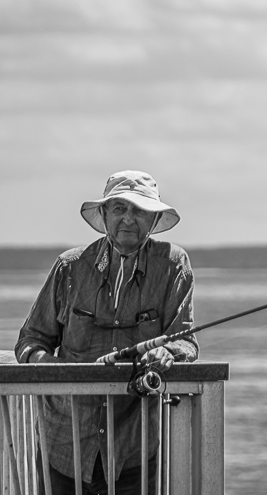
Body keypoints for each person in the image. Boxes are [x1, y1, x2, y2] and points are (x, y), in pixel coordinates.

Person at [15, 170, 199, 495]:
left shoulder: (174, 265)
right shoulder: (69, 266)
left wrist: (168, 352)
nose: (128, 219)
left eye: (140, 210)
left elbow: (186, 340)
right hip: (64, 443)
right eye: (119, 208)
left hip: (136, 448)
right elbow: (30, 341)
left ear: (155, 219)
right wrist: (55, 370)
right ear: (103, 214)